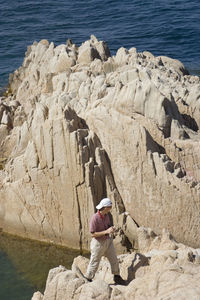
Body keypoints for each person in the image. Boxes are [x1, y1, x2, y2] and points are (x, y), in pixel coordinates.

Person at [84, 198, 125, 284]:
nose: (110, 208)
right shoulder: (94, 218)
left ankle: (116, 276)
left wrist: (111, 229)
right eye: (110, 207)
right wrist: (106, 231)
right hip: (98, 243)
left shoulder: (107, 216)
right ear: (105, 207)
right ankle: (88, 278)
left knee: (114, 259)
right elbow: (92, 234)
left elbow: (107, 226)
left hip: (108, 241)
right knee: (94, 261)